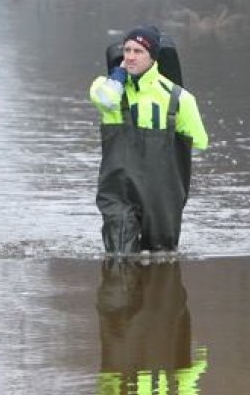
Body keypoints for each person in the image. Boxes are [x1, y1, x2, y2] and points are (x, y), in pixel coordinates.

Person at [89, 25, 208, 253]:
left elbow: (199, 144)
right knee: (120, 256)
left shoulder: (180, 98)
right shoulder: (104, 87)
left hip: (162, 194)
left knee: (161, 258)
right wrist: (119, 75)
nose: (131, 57)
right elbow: (107, 101)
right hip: (118, 189)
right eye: (127, 50)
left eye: (138, 51)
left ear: (153, 57)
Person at [89, 259, 208, 395]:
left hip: (128, 363)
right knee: (145, 299)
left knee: (131, 300)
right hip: (147, 362)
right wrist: (198, 361)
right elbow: (184, 388)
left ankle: (128, 259)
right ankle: (139, 259)